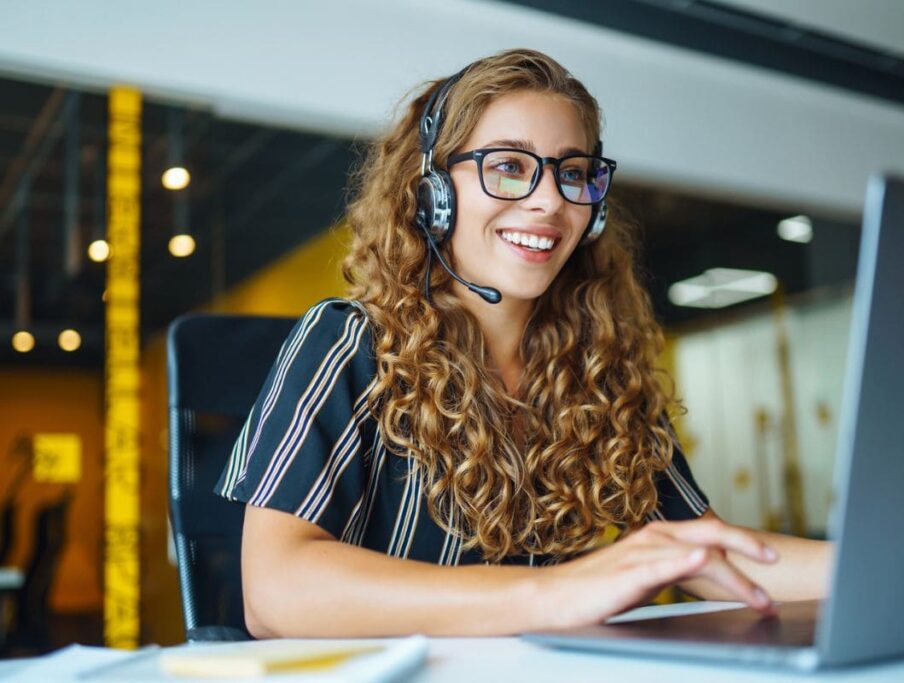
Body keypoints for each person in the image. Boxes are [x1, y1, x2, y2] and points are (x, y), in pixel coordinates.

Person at [217, 48, 832, 638]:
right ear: (432, 191)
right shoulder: (351, 341)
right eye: (508, 165)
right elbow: (273, 591)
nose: (548, 201)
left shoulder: (599, 367)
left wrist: (901, 569)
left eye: (572, 173)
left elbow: (713, 555)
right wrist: (557, 595)